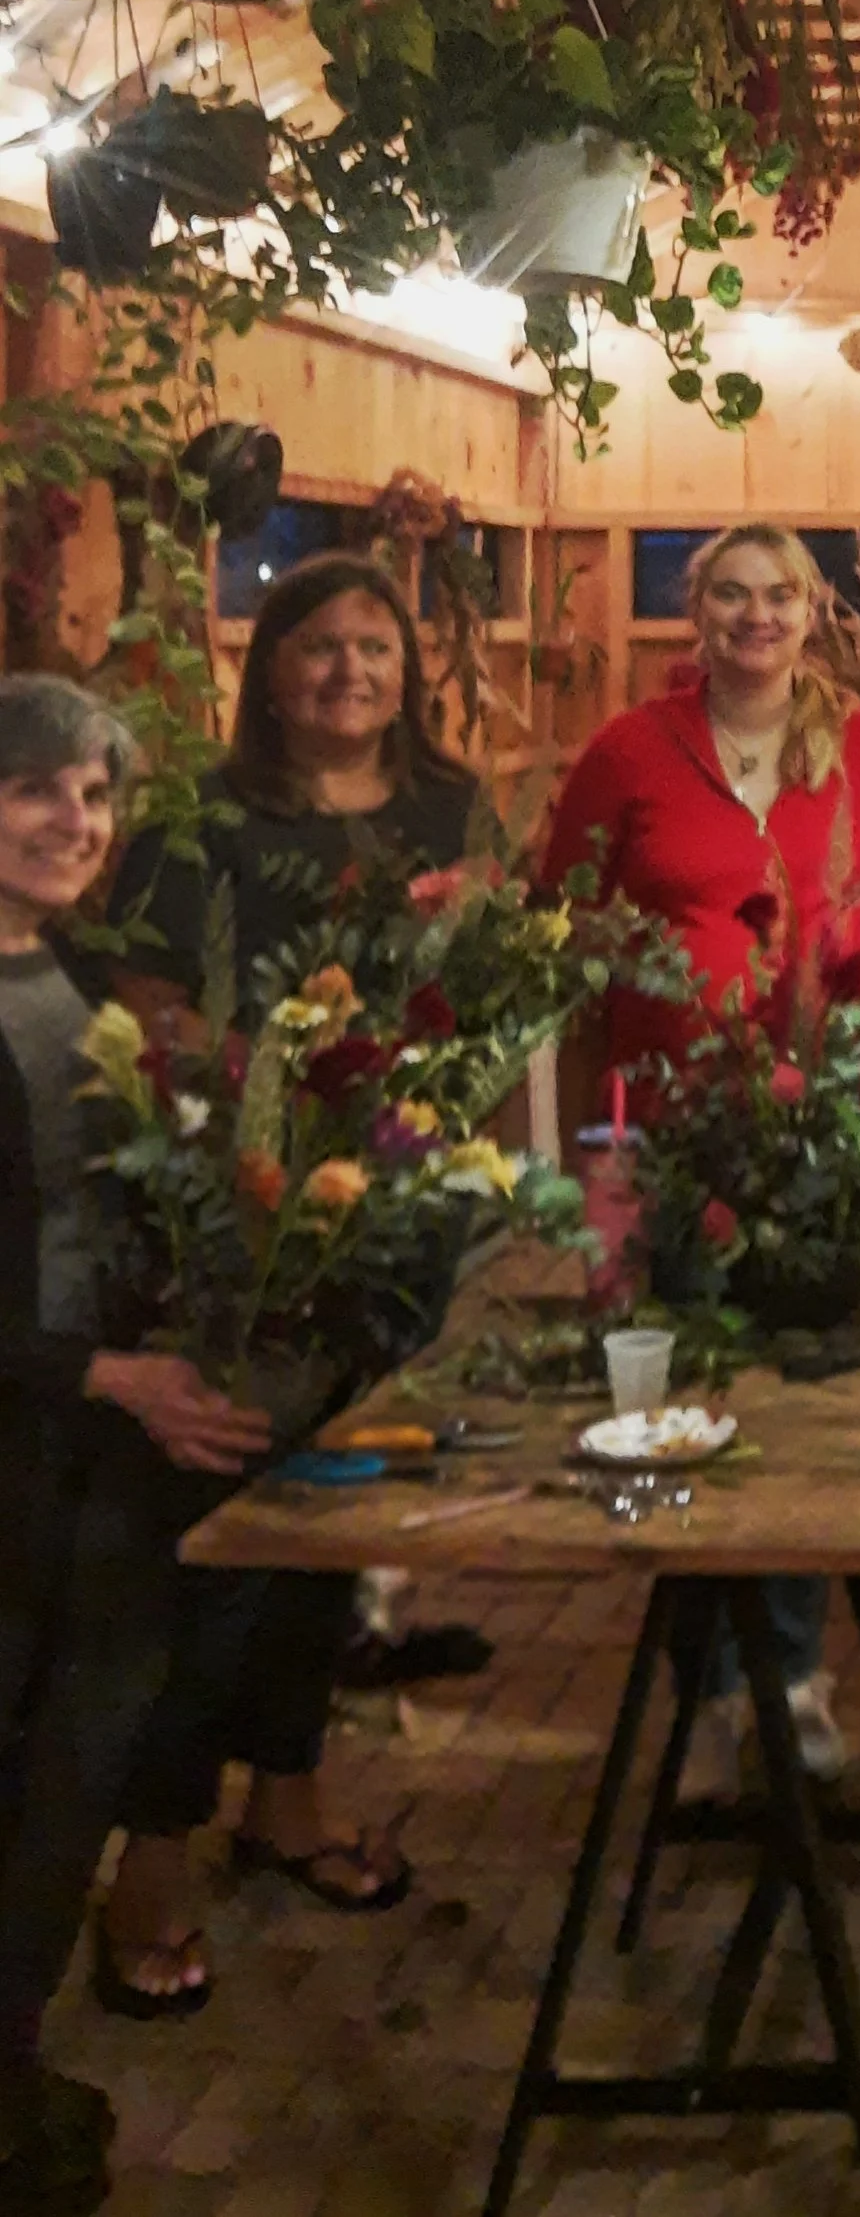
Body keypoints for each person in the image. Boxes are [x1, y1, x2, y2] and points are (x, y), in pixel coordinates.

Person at [98, 556, 478, 2017]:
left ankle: (293, 1800)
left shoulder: (446, 808)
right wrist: (258, 1109)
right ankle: (152, 1858)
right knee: (219, 1542)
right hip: (238, 1221)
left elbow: (482, 985)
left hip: (393, 1215)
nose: (347, 672)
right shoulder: (205, 817)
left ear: (407, 665)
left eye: (373, 646)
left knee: (331, 1520)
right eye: (316, 648)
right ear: (269, 669)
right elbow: (147, 994)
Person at [542, 521, 860, 1800]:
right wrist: (580, 1146)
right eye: (731, 595)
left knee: (802, 1405)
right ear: (693, 612)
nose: (758, 616)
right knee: (677, 1408)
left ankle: (797, 1672)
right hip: (663, 1137)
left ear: (811, 613)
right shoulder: (628, 751)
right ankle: (708, 1694)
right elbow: (567, 924)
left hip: (815, 1140)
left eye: (780, 596)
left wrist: (859, 1088)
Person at [0, 678, 270, 2213]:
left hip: (101, 1445)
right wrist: (106, 1371)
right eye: (37, 790)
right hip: (30, 1436)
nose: (74, 824)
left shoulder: (83, 975)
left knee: (73, 1767)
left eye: (94, 799)